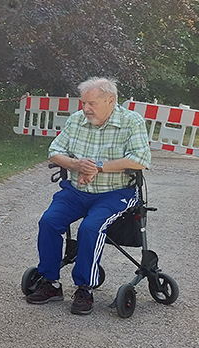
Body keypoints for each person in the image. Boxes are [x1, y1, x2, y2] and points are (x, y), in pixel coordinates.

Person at [26, 77, 151, 315]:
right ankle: (51, 283)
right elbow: (54, 152)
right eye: (83, 103)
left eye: (91, 103)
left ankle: (85, 288)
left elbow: (140, 160)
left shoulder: (131, 121)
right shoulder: (76, 120)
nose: (85, 108)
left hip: (115, 193)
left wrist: (98, 167)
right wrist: (77, 165)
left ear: (110, 100)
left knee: (90, 228)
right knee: (48, 222)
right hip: (77, 191)